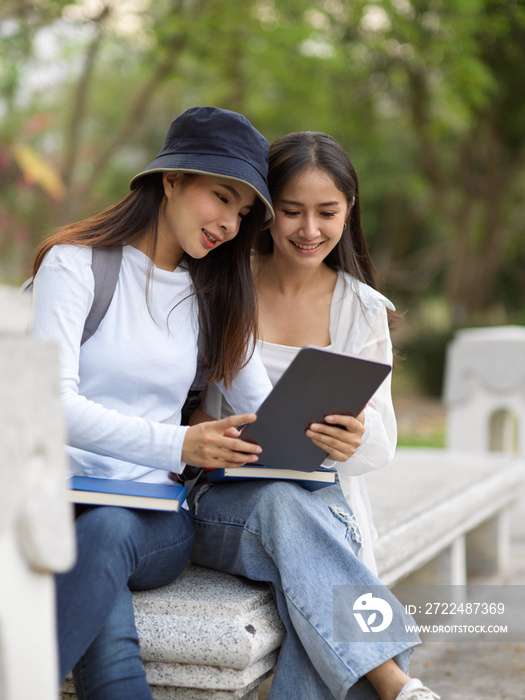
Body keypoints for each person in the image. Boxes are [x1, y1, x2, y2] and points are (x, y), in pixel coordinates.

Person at [30, 106, 275, 700]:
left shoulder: (212, 296)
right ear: (171, 179)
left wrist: (330, 431)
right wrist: (179, 441)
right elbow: (47, 407)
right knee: (109, 644)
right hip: (53, 505)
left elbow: (267, 415)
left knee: (108, 530)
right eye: (220, 197)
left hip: (151, 520)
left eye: (242, 213)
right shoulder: (75, 265)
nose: (229, 224)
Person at [189, 131, 439, 700]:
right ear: (267, 213)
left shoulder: (360, 308)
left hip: (324, 500)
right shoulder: (221, 286)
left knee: (307, 590)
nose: (309, 231)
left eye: (327, 212)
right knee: (282, 505)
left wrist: (355, 436)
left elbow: (381, 448)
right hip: (225, 503)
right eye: (293, 212)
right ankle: (395, 682)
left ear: (349, 211)